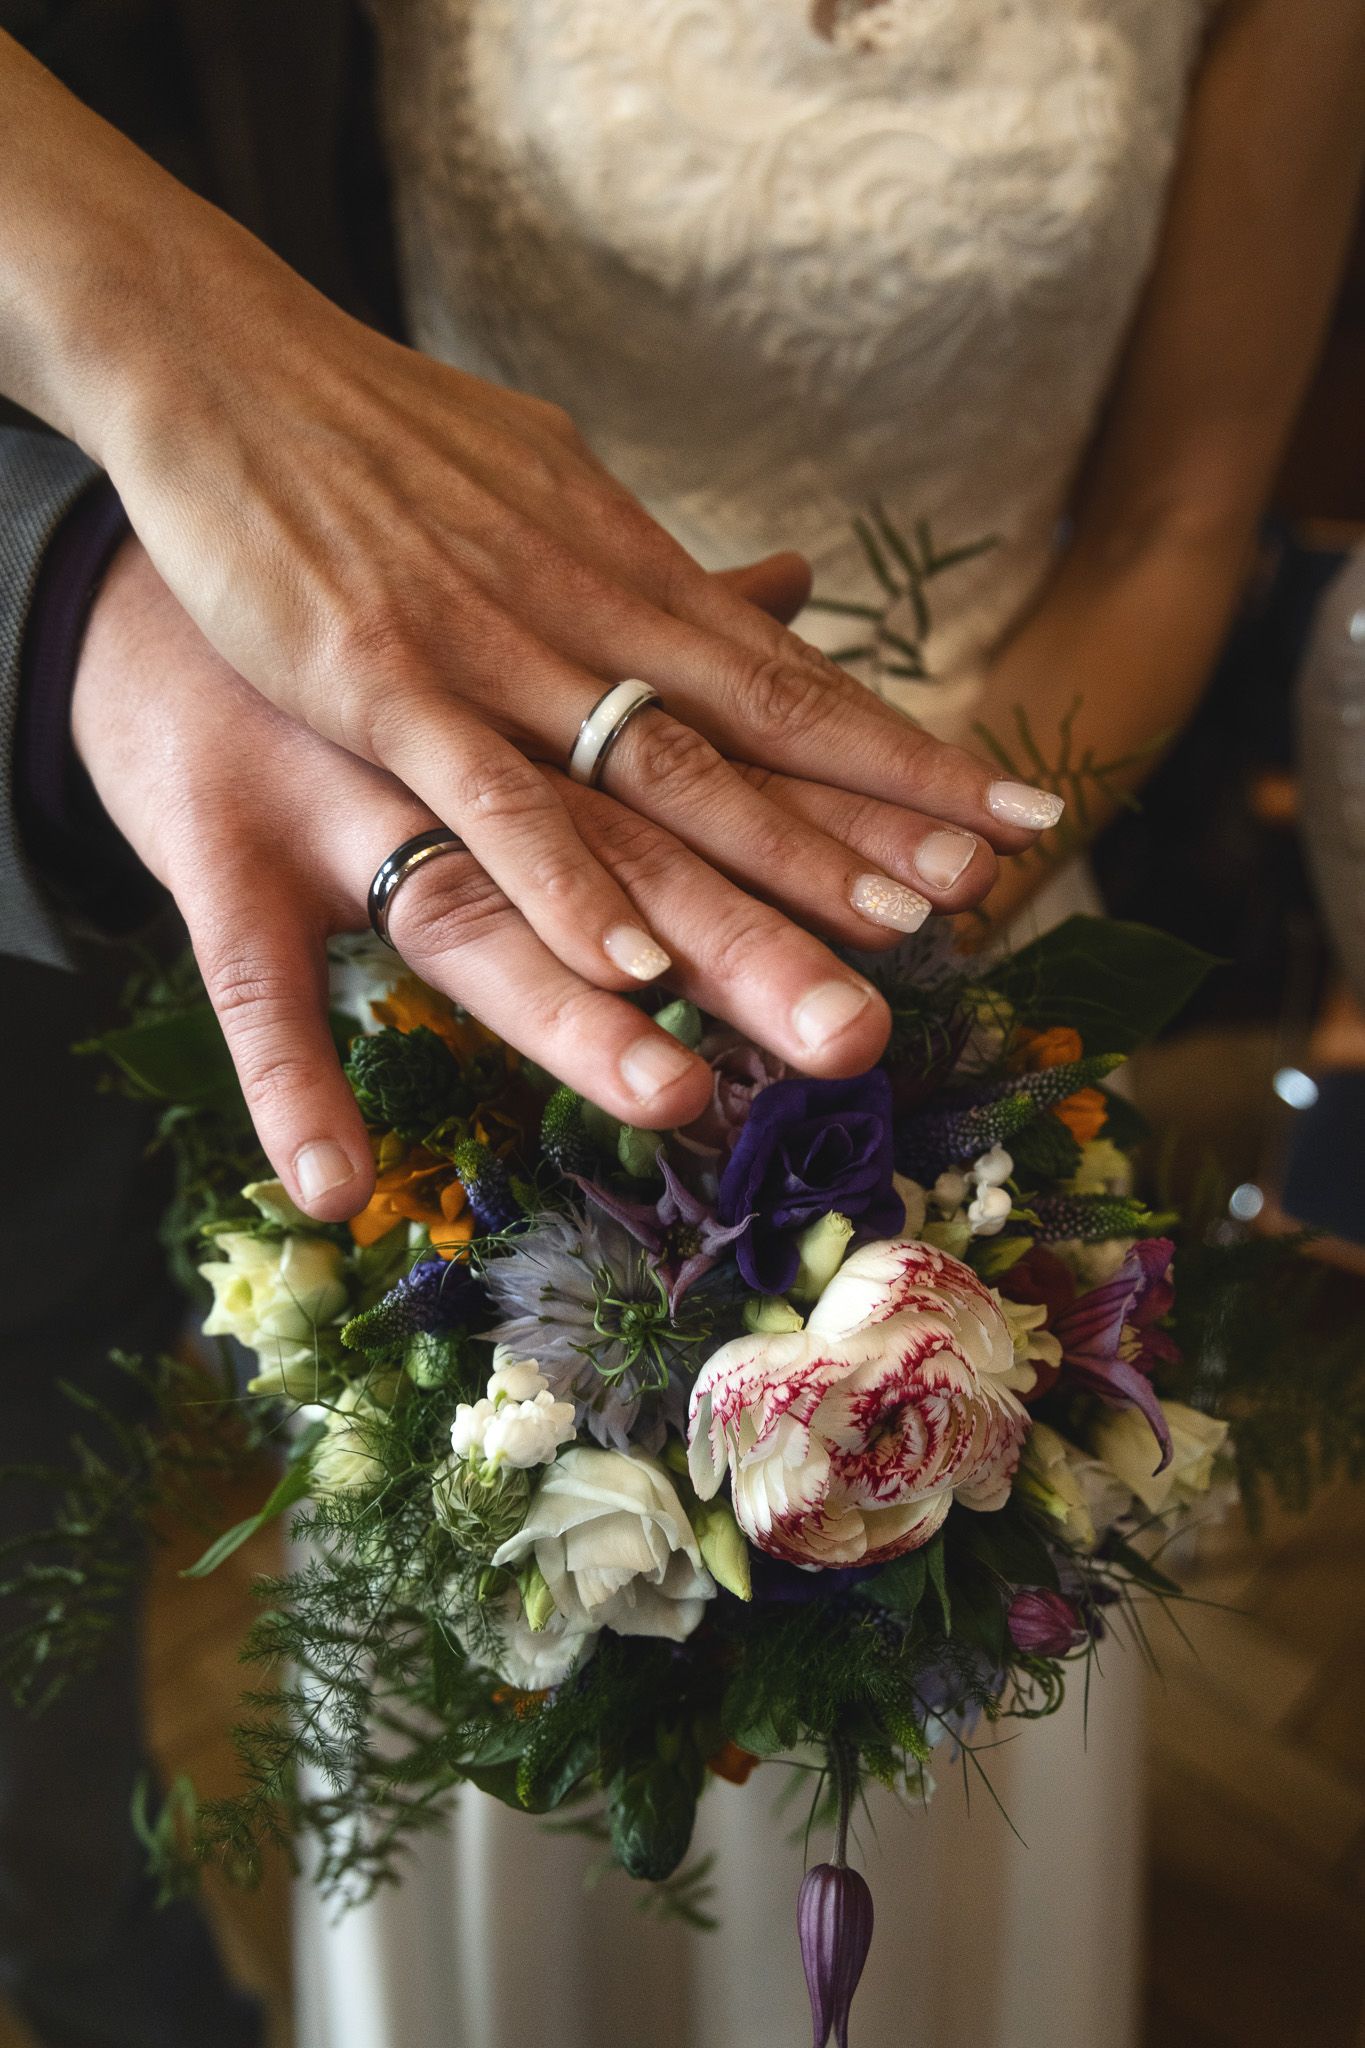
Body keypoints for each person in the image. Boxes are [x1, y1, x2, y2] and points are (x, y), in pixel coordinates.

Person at [1, 3, 1362, 2046]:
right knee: (492, 1655)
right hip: (489, 933)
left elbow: (1176, 516)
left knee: (945, 1682)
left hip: (961, 893)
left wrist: (882, 912)